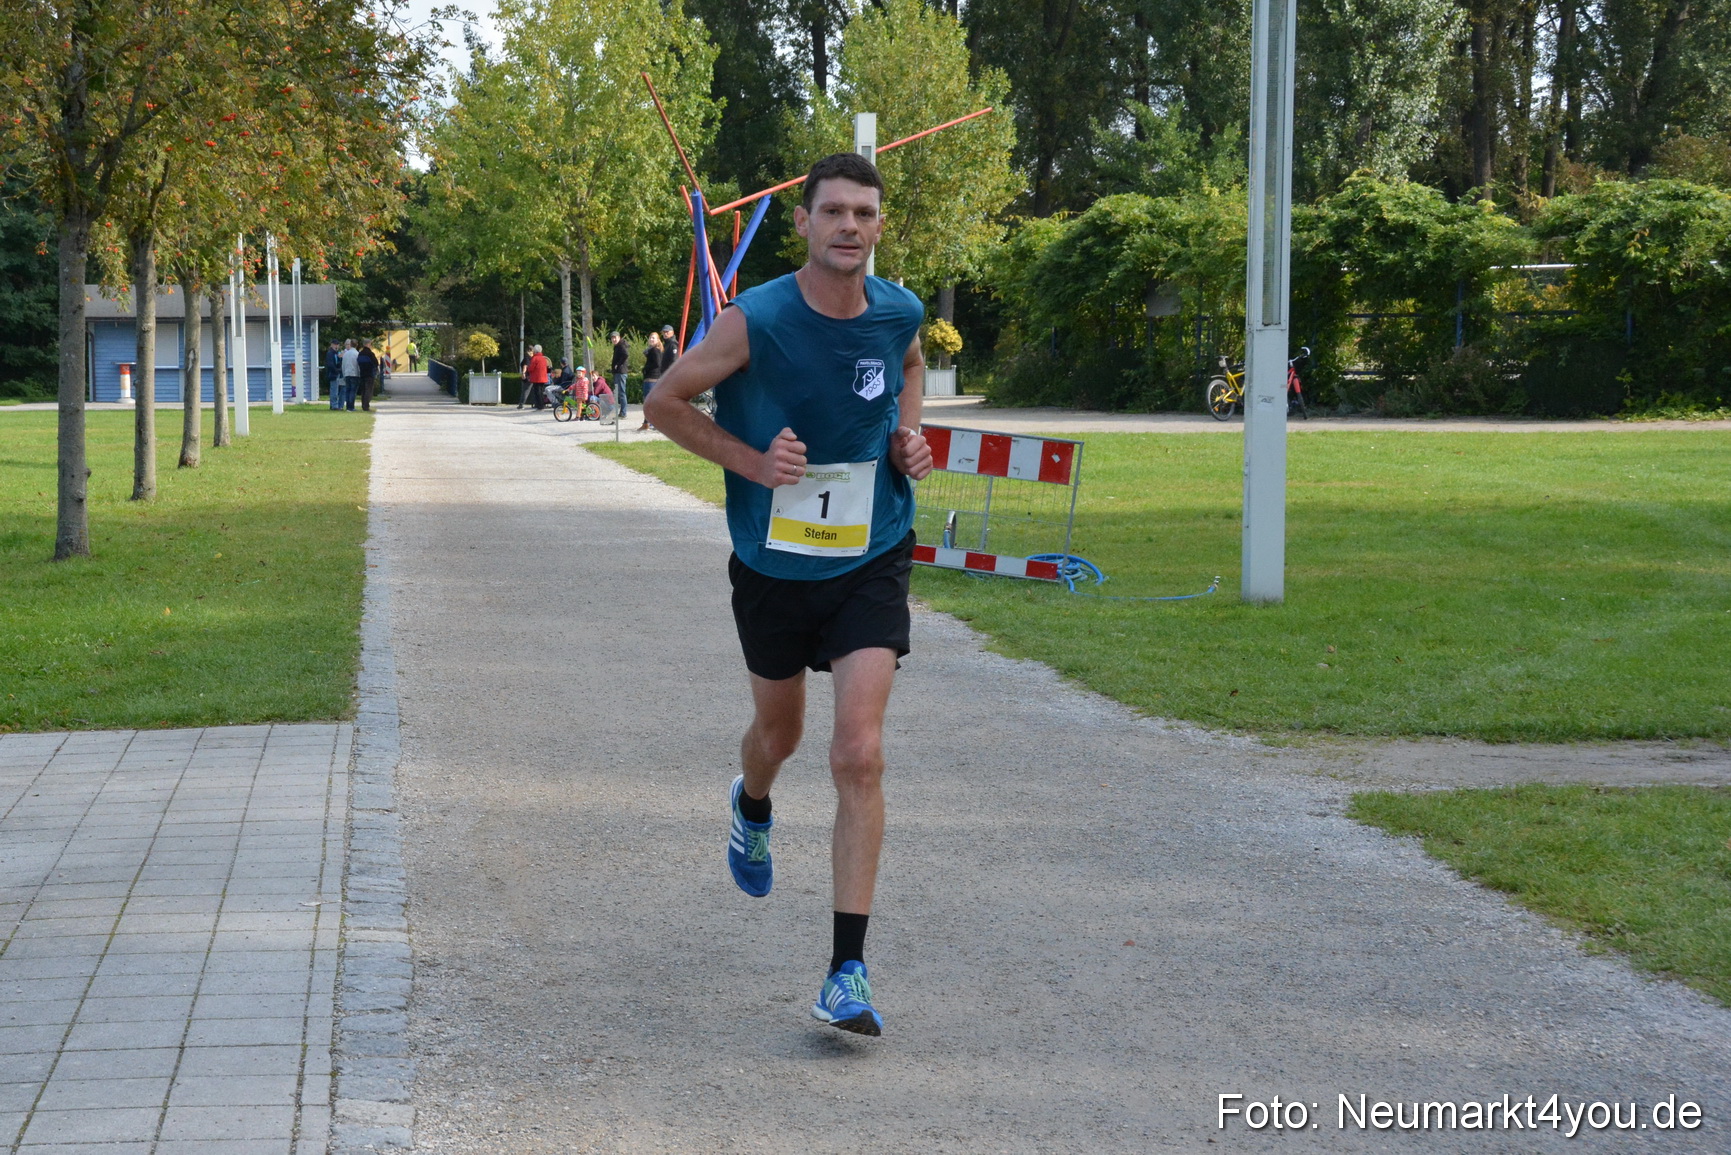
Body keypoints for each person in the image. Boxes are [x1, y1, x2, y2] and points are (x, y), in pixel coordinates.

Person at [644, 152, 932, 1038]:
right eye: (833, 211)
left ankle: (847, 972)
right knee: (781, 734)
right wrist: (753, 463)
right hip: (773, 565)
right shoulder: (756, 318)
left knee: (858, 752)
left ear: (878, 226)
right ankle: (752, 801)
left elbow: (910, 363)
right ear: (803, 222)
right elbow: (663, 401)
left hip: (871, 553)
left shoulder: (898, 310)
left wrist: (907, 436)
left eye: (864, 213)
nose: (849, 225)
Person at [637, 332, 663, 432]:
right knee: (649, 402)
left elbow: (657, 363)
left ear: (657, 340)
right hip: (653, 378)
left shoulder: (654, 350)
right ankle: (647, 422)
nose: (651, 339)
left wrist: (646, 369)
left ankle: (650, 423)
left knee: (648, 402)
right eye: (650, 338)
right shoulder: (653, 350)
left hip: (652, 378)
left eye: (653, 338)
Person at [522, 344, 551, 409]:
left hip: (536, 378)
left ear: (535, 351)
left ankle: (539, 405)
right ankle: (541, 405)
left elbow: (531, 368)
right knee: (541, 392)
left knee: (537, 392)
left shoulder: (534, 358)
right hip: (543, 378)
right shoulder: (543, 358)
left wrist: (528, 369)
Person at [609, 331, 630, 421]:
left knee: (621, 392)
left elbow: (626, 354)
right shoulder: (618, 345)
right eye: (612, 338)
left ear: (619, 337)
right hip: (618, 372)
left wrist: (618, 364)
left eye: (615, 337)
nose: (614, 339)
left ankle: (623, 413)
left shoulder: (621, 345)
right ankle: (621, 412)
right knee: (619, 392)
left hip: (621, 372)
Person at [357, 340, 380, 412]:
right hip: (369, 374)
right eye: (370, 344)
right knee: (368, 390)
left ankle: (363, 405)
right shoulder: (370, 354)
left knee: (363, 390)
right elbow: (376, 363)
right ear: (368, 344)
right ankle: (366, 406)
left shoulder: (360, 354)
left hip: (362, 374)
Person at [339, 339, 361, 411]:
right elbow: (358, 365)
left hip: (347, 374)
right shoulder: (357, 354)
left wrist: (344, 373)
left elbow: (343, 365)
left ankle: (348, 406)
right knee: (353, 391)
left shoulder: (346, 354)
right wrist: (359, 373)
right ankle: (351, 406)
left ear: (350, 344)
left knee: (348, 390)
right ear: (356, 345)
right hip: (354, 374)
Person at [325, 341, 343, 411]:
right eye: (335, 345)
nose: (336, 346)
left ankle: (333, 404)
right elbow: (330, 364)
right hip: (333, 374)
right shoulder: (330, 353)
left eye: (337, 345)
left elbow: (338, 363)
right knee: (334, 390)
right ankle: (334, 405)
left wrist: (340, 358)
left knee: (336, 390)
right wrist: (337, 370)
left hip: (337, 373)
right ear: (331, 345)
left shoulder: (337, 353)